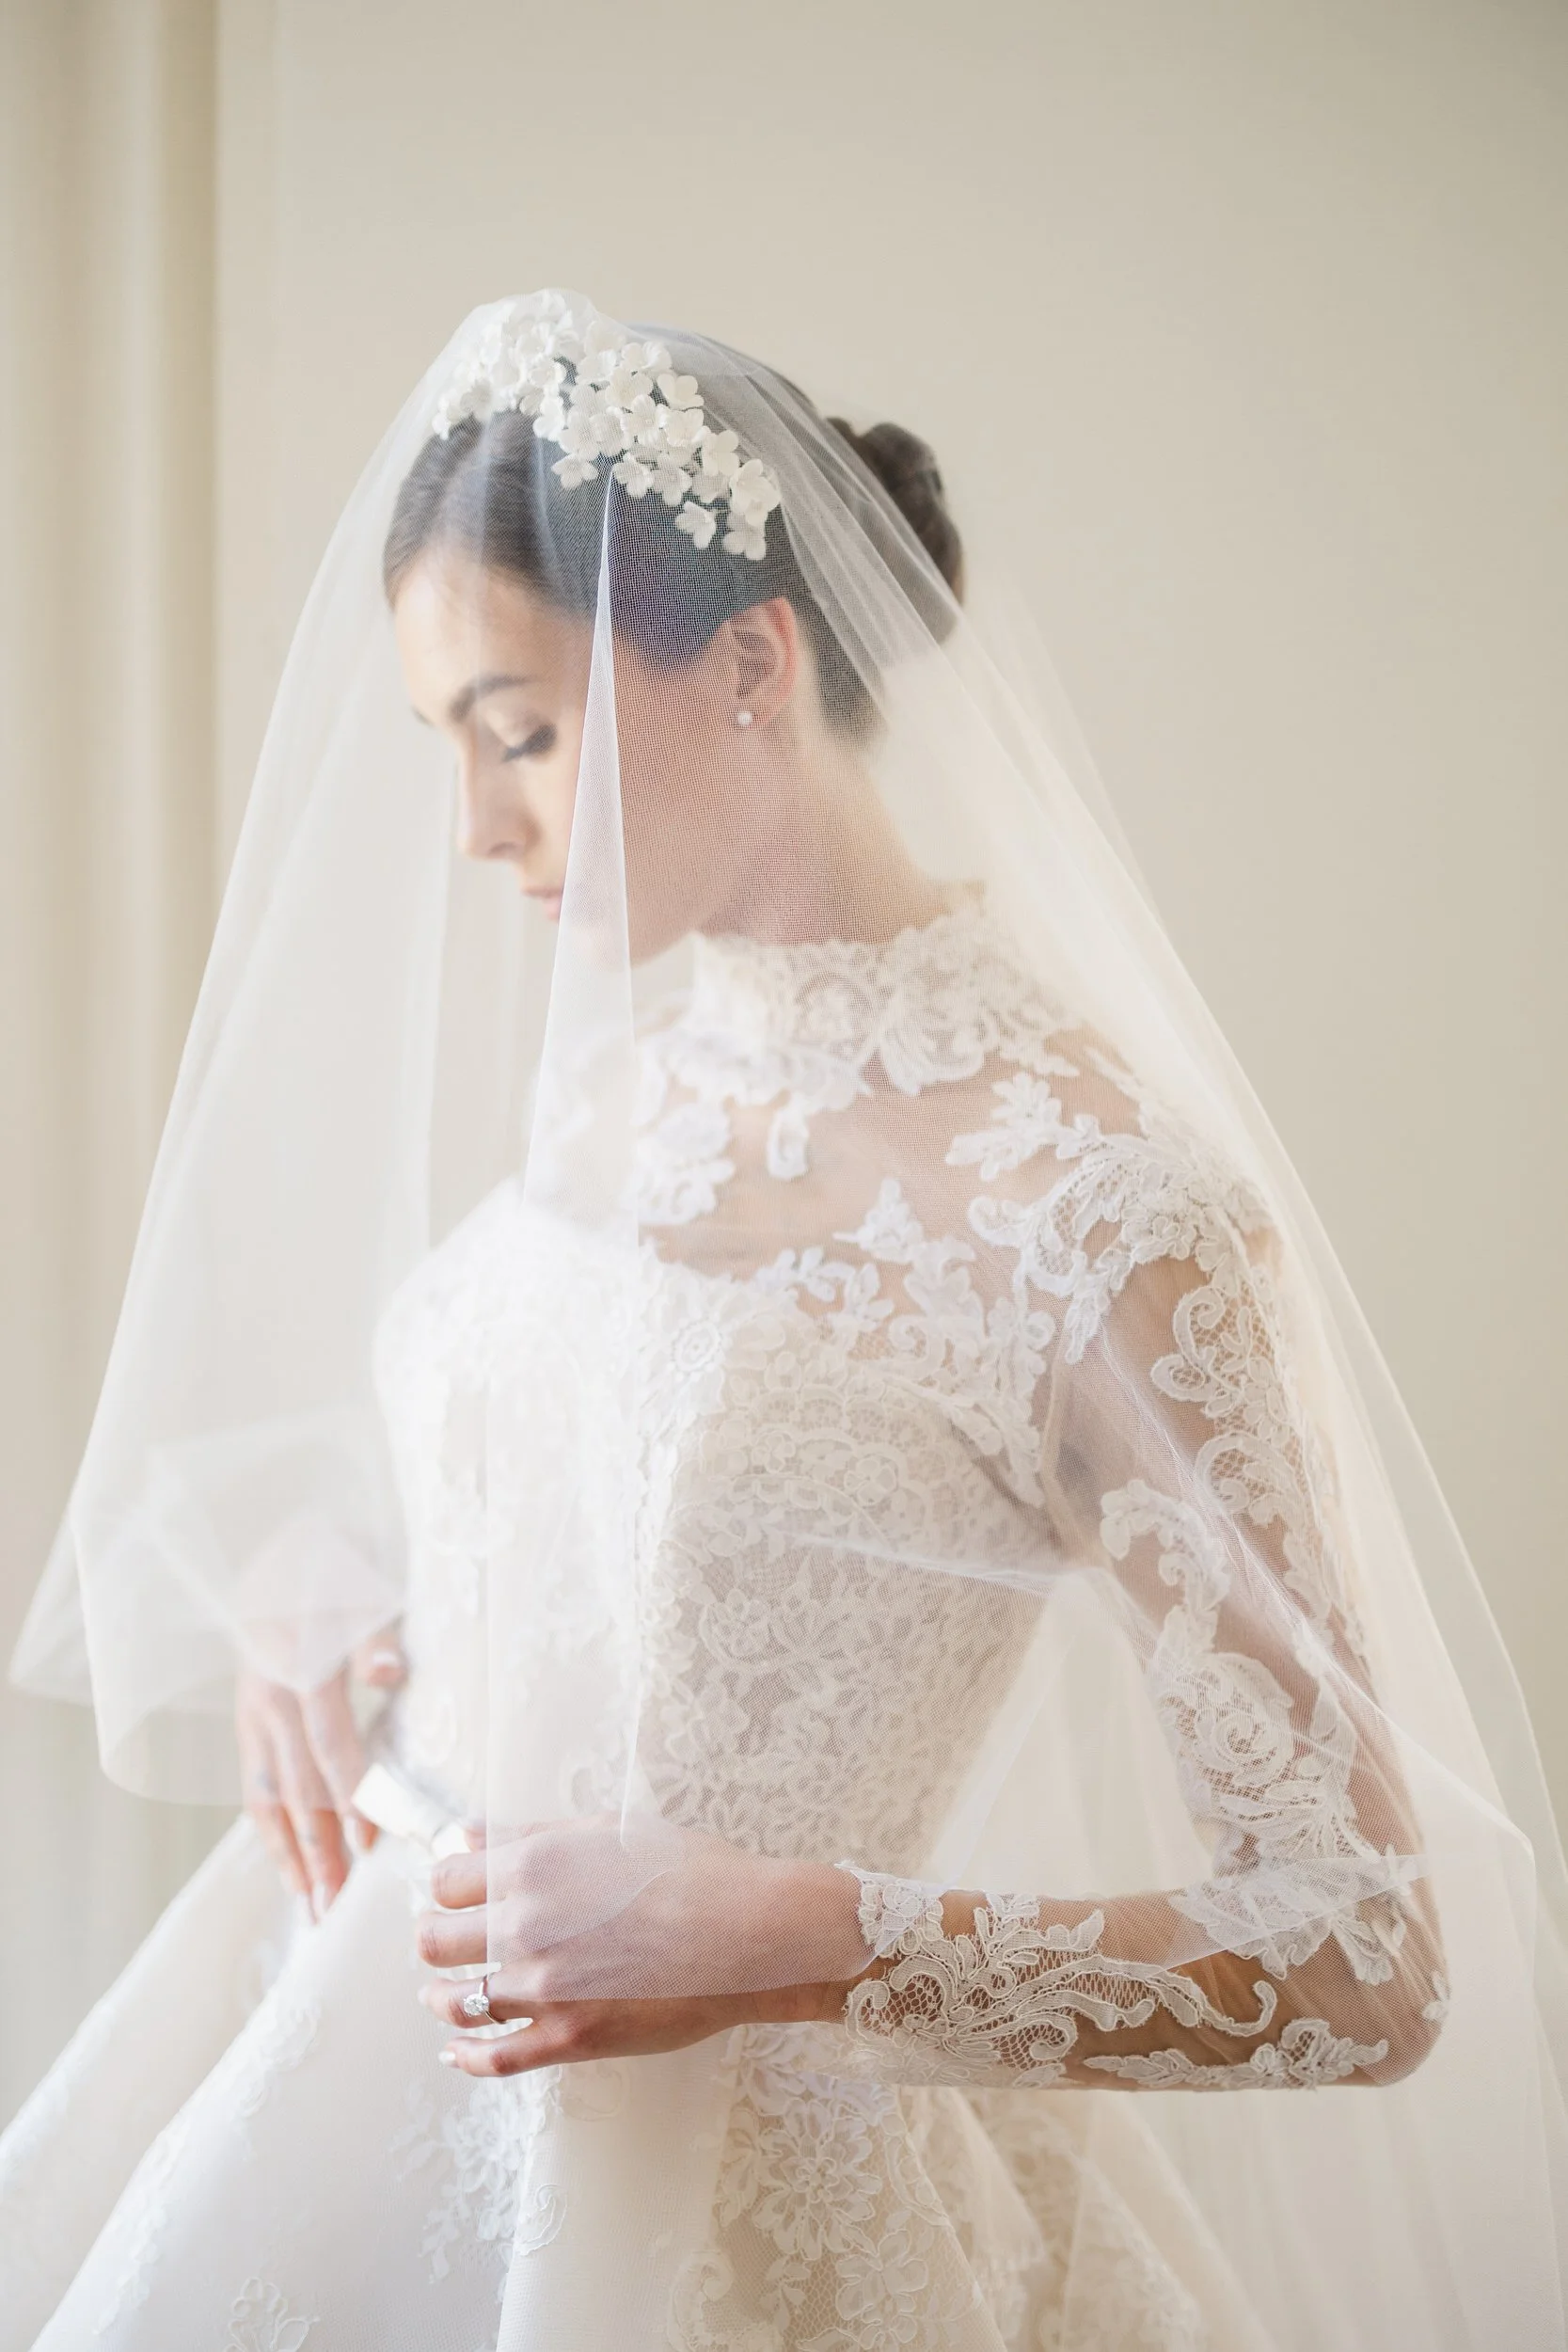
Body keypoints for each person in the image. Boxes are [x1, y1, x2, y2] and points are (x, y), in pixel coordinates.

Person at [1, 290, 1562, 2351]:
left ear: (750, 661)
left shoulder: (1101, 1212)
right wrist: (329, 1586)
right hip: (355, 2053)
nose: (474, 827)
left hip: (744, 2224)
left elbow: (1360, 1952)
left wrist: (793, 1934)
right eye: (443, 747)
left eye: (523, 731)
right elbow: (573, 1538)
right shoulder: (621, 1080)